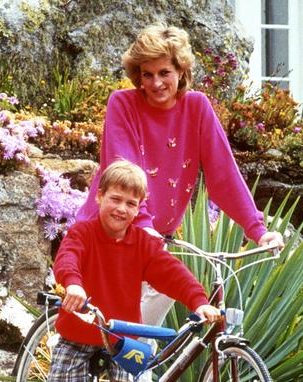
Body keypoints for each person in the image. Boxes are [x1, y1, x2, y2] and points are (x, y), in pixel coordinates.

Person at [21, 161, 220, 382]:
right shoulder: (83, 232)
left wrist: (198, 301)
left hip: (120, 338)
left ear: (140, 208)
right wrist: (73, 284)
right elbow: (67, 257)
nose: (122, 208)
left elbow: (172, 273)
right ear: (99, 197)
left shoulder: (143, 244)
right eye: (115, 198)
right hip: (78, 334)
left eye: (131, 203)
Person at [75, 23, 284, 328]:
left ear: (181, 71)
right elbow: (124, 172)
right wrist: (143, 224)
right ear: (138, 76)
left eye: (164, 73)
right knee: (129, 335)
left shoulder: (197, 107)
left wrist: (256, 229)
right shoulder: (123, 104)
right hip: (113, 231)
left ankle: (125, 366)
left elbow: (223, 175)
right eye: (147, 74)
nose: (156, 82)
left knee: (141, 335)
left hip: (153, 241)